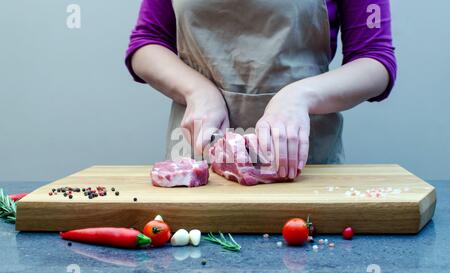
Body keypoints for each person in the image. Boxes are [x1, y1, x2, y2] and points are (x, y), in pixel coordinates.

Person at [126, 0, 396, 179]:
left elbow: (374, 59)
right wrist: (197, 91)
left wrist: (299, 96)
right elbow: (147, 42)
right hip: (197, 165)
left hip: (301, 166)